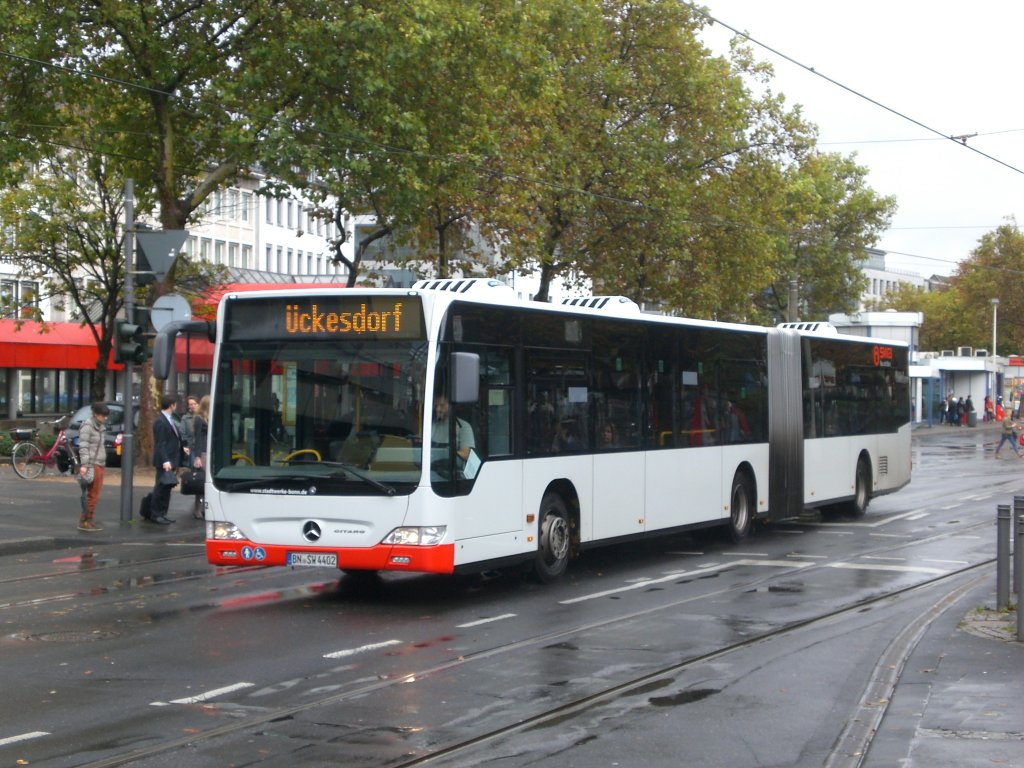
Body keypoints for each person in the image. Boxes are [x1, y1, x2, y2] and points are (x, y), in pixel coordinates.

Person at [150, 393, 187, 524]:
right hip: (165, 461)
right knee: (160, 487)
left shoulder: (169, 419)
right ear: (172, 405)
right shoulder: (160, 421)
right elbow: (161, 443)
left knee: (167, 487)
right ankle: (156, 514)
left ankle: (163, 513)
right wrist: (165, 460)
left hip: (172, 459)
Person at [76, 402, 109, 531]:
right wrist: (85, 465)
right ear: (96, 414)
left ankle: (88, 518)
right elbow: (83, 446)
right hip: (92, 464)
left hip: (99, 463)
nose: (105, 418)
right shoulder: (88, 426)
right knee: (92, 494)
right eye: (103, 415)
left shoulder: (100, 426)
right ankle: (85, 520)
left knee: (94, 494)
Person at [431, 395, 474, 462]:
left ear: (451, 406)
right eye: (436, 406)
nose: (438, 409)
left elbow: (466, 454)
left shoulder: (463, 427)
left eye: (442, 405)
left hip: (452, 469)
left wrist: (445, 453)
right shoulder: (432, 426)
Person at [189, 395, 209, 519]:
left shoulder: (208, 417)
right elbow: (197, 439)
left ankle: (203, 508)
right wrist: (197, 456)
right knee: (202, 481)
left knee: (207, 482)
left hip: (208, 451)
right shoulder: (199, 419)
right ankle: (197, 508)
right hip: (203, 452)